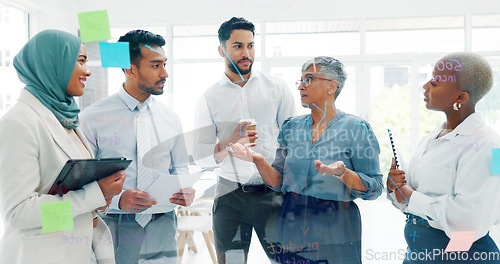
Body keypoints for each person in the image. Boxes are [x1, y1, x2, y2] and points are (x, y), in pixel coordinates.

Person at [229, 56, 383, 263]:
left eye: (309, 79)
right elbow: (278, 181)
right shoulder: (291, 126)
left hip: (336, 223)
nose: (301, 86)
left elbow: (374, 187)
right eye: (300, 80)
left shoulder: (357, 128)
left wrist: (343, 173)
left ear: (332, 86)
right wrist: (257, 160)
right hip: (291, 219)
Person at [0, 29, 125, 264]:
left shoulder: (64, 117)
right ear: (53, 63)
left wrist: (101, 195)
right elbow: (19, 214)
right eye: (80, 61)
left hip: (83, 250)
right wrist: (95, 194)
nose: (88, 71)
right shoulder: (19, 122)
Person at [80, 29, 195, 264]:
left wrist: (185, 188)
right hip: (112, 227)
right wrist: (118, 199)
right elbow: (81, 181)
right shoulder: (91, 118)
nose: (165, 73)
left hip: (163, 226)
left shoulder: (170, 118)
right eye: (155, 66)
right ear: (130, 68)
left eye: (164, 64)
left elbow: (180, 166)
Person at [192, 17, 296, 263]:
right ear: (221, 50)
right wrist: (228, 142)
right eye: (238, 46)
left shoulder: (277, 88)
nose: (246, 53)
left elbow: (294, 144)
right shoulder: (209, 98)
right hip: (230, 197)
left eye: (250, 45)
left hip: (273, 194)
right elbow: (201, 157)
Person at [387, 52, 500, 263]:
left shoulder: (491, 147)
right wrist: (396, 189)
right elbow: (410, 199)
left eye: (435, 82)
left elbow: (470, 224)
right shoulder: (434, 137)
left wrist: (410, 197)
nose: (425, 86)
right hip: (419, 253)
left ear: (461, 98)